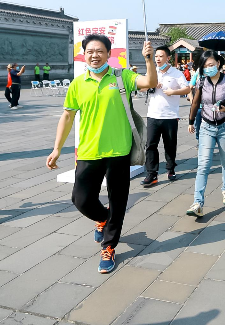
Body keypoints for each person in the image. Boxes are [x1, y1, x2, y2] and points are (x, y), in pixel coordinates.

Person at [46, 36, 156, 274]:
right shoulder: (78, 83)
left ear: (108, 54)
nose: (94, 55)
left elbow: (149, 82)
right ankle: (104, 218)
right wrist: (57, 148)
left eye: (100, 51)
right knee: (81, 199)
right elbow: (67, 116)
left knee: (118, 200)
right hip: (89, 151)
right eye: (90, 51)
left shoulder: (122, 76)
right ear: (84, 54)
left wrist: (149, 60)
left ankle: (109, 246)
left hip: (119, 151)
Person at [186, 51, 225, 217]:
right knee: (203, 165)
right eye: (205, 66)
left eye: (211, 65)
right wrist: (190, 121)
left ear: (218, 63)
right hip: (206, 126)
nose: (208, 68)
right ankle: (198, 203)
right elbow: (195, 102)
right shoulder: (202, 82)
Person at [142, 46, 189, 187]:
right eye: (156, 56)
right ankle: (152, 174)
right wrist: (151, 84)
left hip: (170, 116)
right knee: (150, 145)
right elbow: (142, 87)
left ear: (168, 58)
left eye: (161, 56)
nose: (157, 59)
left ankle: (171, 169)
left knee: (170, 145)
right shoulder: (152, 71)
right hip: (153, 115)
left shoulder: (176, 73)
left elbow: (187, 89)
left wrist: (172, 92)